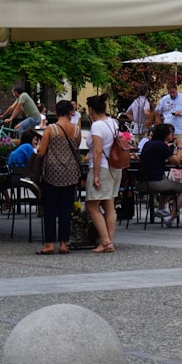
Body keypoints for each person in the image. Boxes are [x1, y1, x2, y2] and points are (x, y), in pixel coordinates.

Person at [34, 100, 82, 255]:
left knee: (50, 208)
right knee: (66, 209)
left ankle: (49, 244)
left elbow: (41, 152)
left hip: (52, 173)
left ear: (56, 112)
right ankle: (63, 244)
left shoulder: (50, 129)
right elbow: (76, 149)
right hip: (70, 172)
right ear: (70, 113)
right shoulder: (76, 130)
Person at [85, 94, 120, 253]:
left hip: (102, 167)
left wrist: (96, 174)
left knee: (92, 205)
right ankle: (108, 241)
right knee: (109, 205)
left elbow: (98, 150)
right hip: (115, 166)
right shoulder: (114, 122)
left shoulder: (97, 126)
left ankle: (105, 241)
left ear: (91, 110)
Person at [138, 123, 182, 226]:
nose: (172, 136)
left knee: (170, 184)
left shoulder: (148, 143)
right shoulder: (162, 146)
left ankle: (161, 208)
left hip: (143, 182)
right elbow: (177, 161)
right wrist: (179, 147)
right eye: (170, 133)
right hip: (154, 182)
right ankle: (171, 217)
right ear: (166, 135)